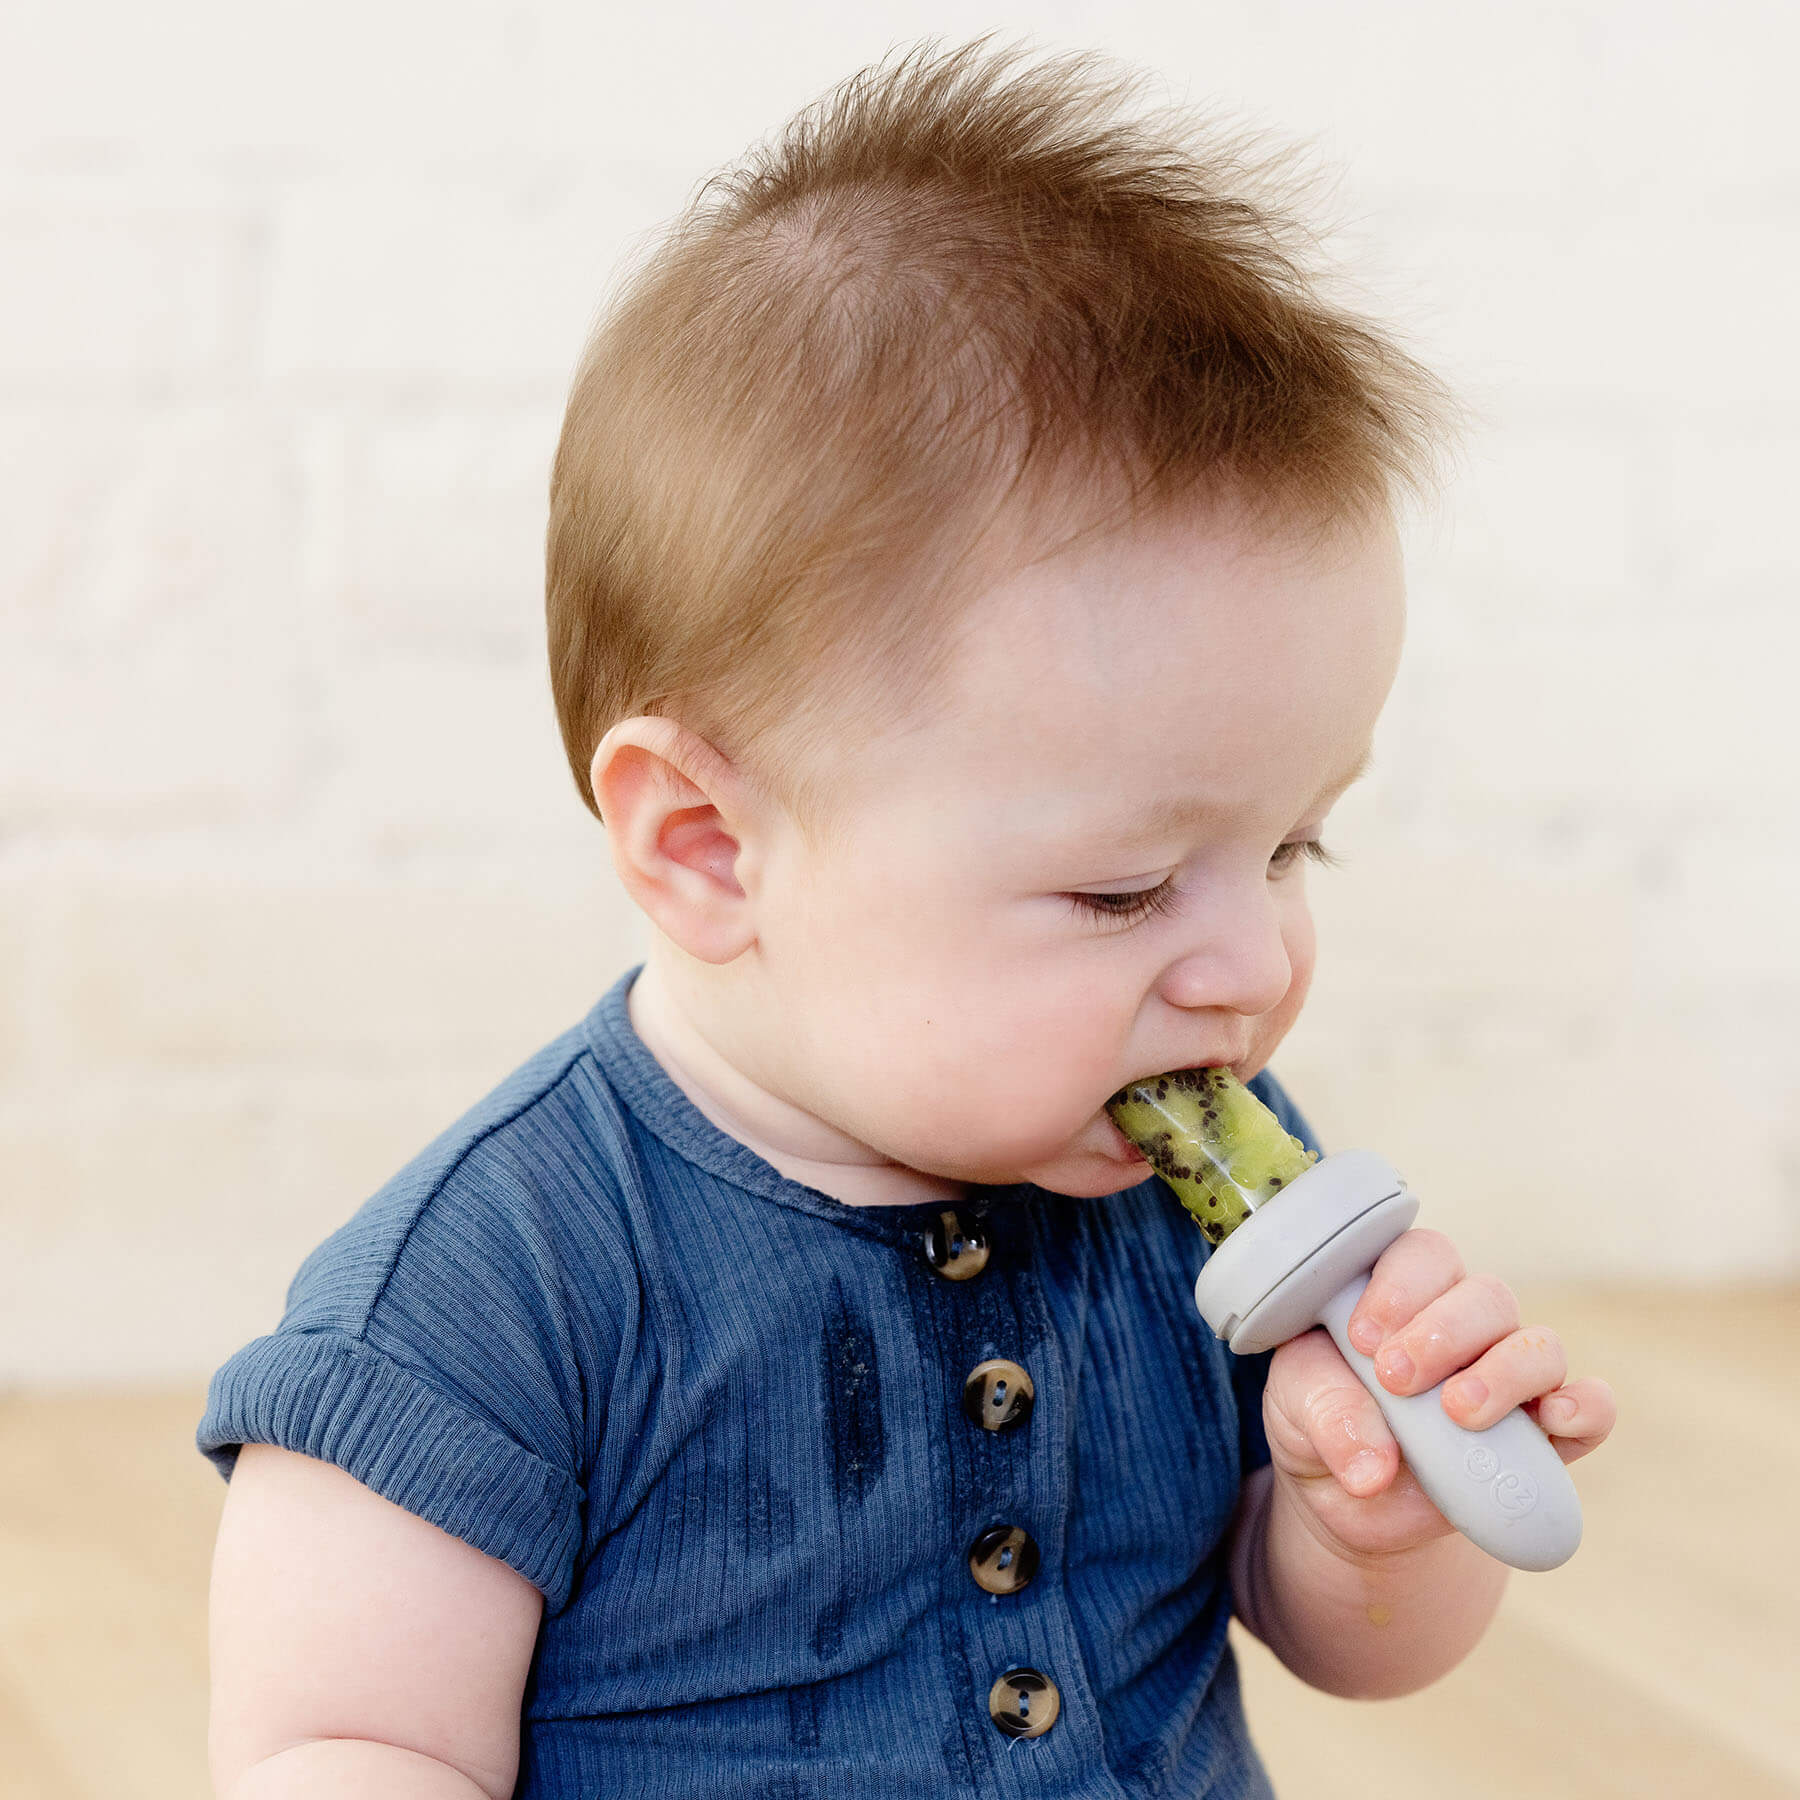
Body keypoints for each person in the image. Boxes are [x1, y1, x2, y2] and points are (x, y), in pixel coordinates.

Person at [197, 34, 1616, 1799]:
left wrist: (1372, 1523)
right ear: (710, 849)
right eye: (1120, 888)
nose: (1255, 969)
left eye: (1292, 849)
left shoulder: (1192, 1203)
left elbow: (1341, 1644)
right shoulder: (498, 1291)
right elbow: (341, 1742)